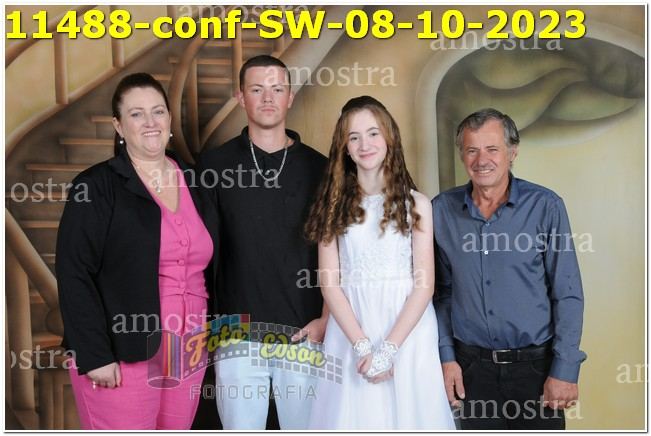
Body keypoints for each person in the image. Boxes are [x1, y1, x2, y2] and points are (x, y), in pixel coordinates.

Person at [56, 73, 219, 430]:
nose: (150, 122)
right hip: (122, 348)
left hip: (189, 348)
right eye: (136, 114)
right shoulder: (96, 186)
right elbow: (74, 273)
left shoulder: (196, 181)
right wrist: (94, 354)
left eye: (158, 111)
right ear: (118, 125)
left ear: (169, 119)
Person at [305, 96, 455, 430]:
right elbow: (330, 284)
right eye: (354, 137)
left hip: (407, 330)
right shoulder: (332, 208)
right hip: (351, 329)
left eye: (373, 133)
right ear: (344, 147)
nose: (365, 144)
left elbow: (424, 285)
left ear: (389, 137)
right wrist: (362, 347)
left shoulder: (417, 204)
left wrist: (387, 351)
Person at [432, 108, 586, 429]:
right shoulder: (442, 210)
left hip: (535, 370)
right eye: (472, 150)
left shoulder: (546, 207)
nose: (481, 160)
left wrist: (565, 369)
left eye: (492, 149)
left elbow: (567, 293)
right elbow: (441, 293)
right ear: (462, 155)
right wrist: (447, 357)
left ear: (512, 152)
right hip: (470, 371)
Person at [198, 55, 327, 429]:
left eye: (277, 89)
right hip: (236, 333)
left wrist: (326, 320)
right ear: (241, 97)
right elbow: (202, 254)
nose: (268, 98)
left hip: (304, 332)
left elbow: (338, 252)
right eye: (257, 89)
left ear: (290, 97)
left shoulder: (320, 168)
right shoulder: (213, 167)